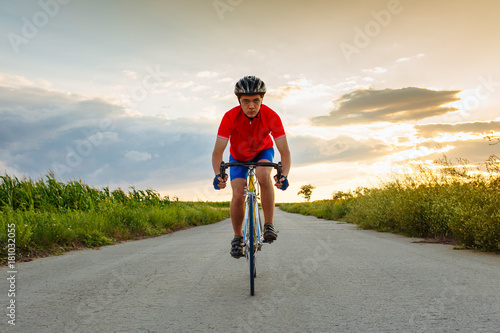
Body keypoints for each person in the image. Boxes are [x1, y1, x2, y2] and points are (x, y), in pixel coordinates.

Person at [212, 75, 291, 258]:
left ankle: (268, 224)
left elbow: (285, 152)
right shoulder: (229, 117)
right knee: (238, 193)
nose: (251, 106)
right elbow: (217, 153)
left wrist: (284, 175)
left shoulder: (272, 116)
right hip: (238, 157)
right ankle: (238, 237)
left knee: (263, 175)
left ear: (262, 99)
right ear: (239, 101)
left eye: (256, 100)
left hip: (263, 152)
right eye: (246, 101)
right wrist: (218, 174)